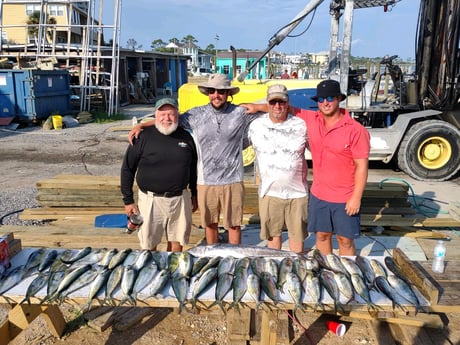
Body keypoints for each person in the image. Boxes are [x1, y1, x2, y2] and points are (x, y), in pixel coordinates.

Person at [128, 74, 259, 245]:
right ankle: (213, 257)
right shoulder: (195, 114)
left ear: (228, 93)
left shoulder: (240, 113)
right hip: (205, 181)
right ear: (208, 93)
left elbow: (276, 111)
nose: (216, 95)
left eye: (221, 91)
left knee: (233, 224)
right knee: (210, 224)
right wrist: (141, 125)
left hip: (233, 180)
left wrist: (258, 105)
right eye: (212, 91)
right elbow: (169, 118)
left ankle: (234, 258)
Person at [243, 79, 370, 256]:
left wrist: (356, 197)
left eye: (330, 98)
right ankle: (328, 272)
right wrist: (257, 107)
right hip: (319, 195)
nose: (325, 103)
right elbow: (282, 108)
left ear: (339, 99)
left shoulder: (356, 130)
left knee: (345, 240)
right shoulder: (312, 119)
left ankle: (347, 275)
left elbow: (362, 166)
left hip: (345, 196)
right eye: (321, 99)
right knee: (323, 237)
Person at [121, 98, 198, 252]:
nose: (167, 118)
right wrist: (128, 200)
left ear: (177, 115)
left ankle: (173, 274)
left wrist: (194, 194)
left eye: (171, 114)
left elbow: (193, 169)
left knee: (177, 244)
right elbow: (127, 169)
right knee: (148, 246)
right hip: (150, 201)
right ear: (155, 115)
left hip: (180, 200)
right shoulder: (142, 137)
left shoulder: (187, 137)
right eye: (162, 114)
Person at [248, 84, 309, 253]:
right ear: (267, 102)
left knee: (297, 238)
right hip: (269, 193)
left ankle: (297, 270)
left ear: (287, 102)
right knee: (273, 239)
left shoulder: (301, 124)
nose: (277, 106)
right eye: (273, 101)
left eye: (281, 101)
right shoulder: (255, 126)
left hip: (298, 193)